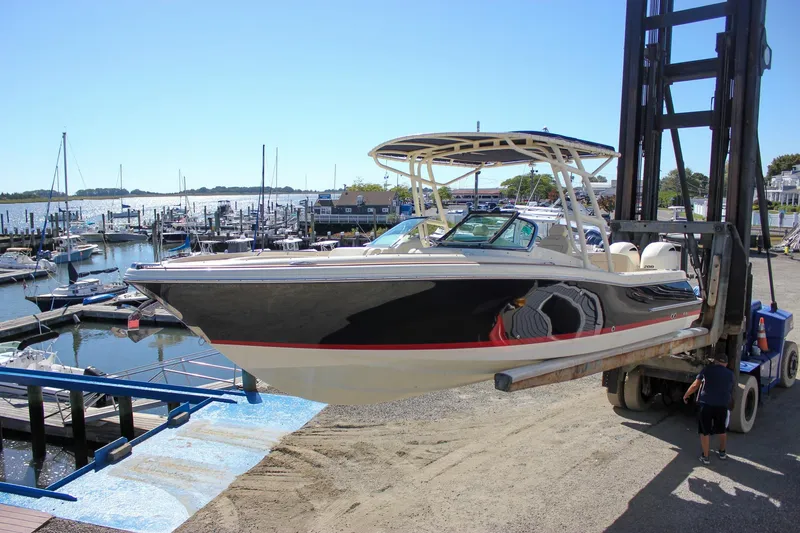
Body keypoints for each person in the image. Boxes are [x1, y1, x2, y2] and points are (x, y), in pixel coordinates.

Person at [683, 354, 735, 465]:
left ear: (715, 361)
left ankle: (705, 457)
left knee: (704, 431)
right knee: (721, 429)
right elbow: (730, 389)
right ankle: (722, 452)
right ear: (725, 364)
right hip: (722, 405)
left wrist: (686, 395)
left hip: (706, 404)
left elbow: (695, 385)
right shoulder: (730, 374)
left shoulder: (707, 370)